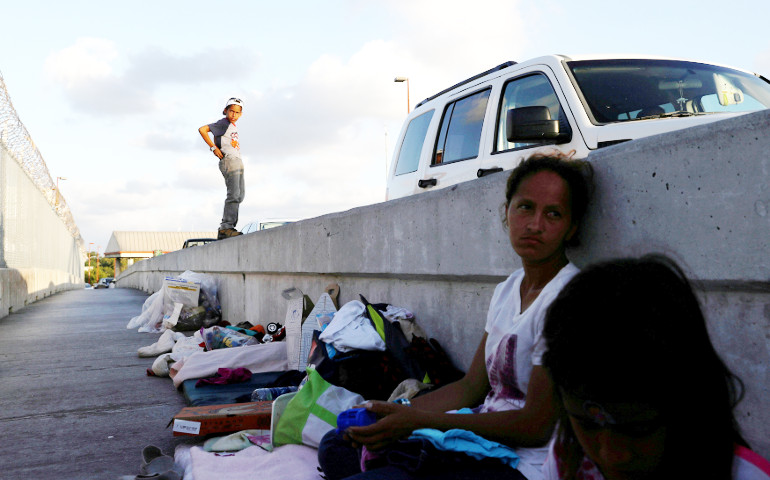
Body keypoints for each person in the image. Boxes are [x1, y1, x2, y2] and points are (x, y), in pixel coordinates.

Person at [317, 152, 594, 480]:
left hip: (523, 464)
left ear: (571, 227)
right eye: (525, 207)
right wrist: (397, 413)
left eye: (553, 214)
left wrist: (420, 422)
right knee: (337, 443)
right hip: (480, 438)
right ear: (506, 212)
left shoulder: (571, 298)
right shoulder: (509, 289)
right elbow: (471, 387)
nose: (535, 224)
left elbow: (536, 427)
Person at [541, 255, 770, 480]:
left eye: (638, 429)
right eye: (587, 424)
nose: (612, 455)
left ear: (687, 403)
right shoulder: (566, 462)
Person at [198, 97, 245, 240]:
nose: (234, 115)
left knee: (239, 195)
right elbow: (203, 129)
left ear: (241, 114)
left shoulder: (231, 125)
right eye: (231, 111)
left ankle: (228, 226)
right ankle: (226, 227)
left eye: (237, 113)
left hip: (236, 160)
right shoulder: (223, 123)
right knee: (234, 194)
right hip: (230, 160)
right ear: (225, 111)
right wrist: (213, 147)